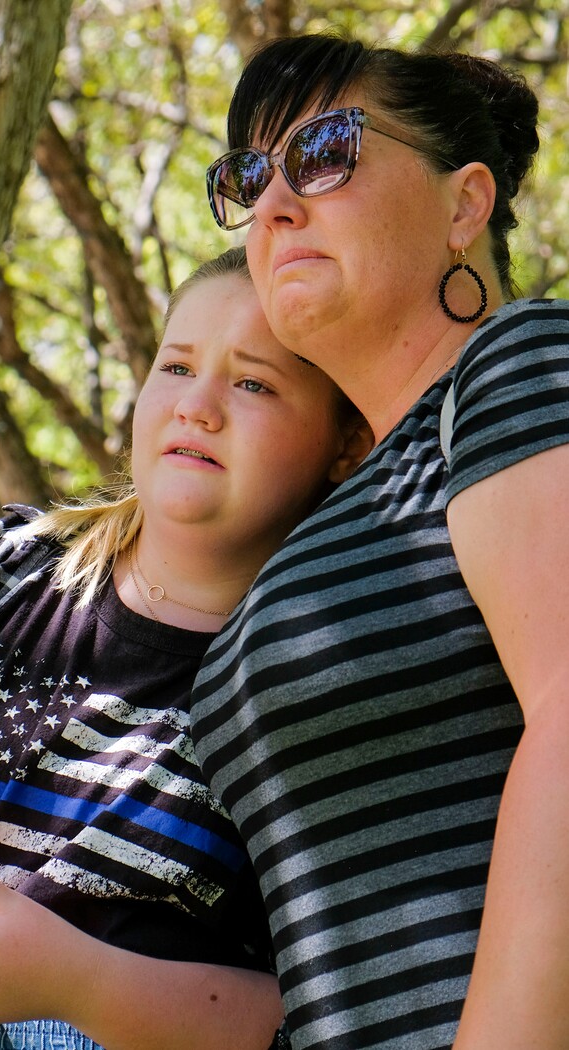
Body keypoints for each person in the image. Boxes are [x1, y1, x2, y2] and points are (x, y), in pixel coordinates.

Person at [0, 246, 366, 1050]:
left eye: (253, 382)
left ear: (348, 443)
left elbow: (359, 1018)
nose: (195, 408)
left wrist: (77, 983)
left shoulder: (329, 691)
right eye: (176, 366)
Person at [193, 33, 569, 1050]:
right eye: (248, 176)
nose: (273, 203)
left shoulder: (521, 365)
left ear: (465, 202)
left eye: (325, 151)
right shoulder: (336, 508)